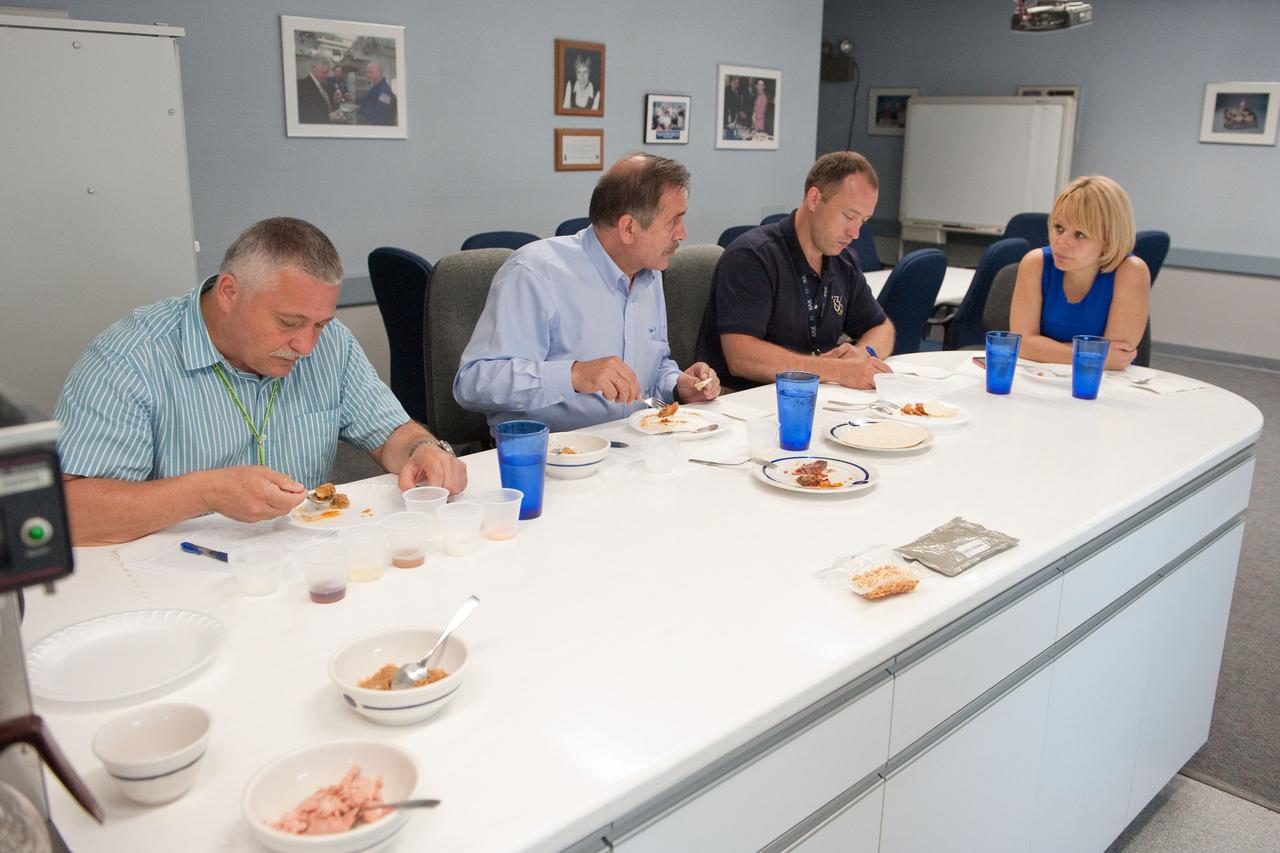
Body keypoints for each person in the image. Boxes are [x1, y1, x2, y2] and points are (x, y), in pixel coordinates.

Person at [54, 217, 467, 546]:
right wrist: (204, 493)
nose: (306, 346)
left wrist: (423, 450)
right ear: (230, 293)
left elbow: (391, 434)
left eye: (320, 324)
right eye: (289, 323)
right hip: (180, 573)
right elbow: (69, 512)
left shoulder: (330, 345)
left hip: (302, 562)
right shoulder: (131, 357)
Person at [454, 153, 720, 432]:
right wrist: (574, 375)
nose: (682, 234)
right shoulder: (535, 273)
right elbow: (472, 383)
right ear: (629, 228)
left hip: (633, 444)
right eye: (673, 222)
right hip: (550, 453)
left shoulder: (647, 272)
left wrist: (678, 386)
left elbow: (654, 366)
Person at [695, 151, 894, 391]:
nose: (855, 232)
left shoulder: (843, 260)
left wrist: (863, 355)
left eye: (863, 220)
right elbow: (741, 356)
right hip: (745, 401)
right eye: (848, 216)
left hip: (814, 396)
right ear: (814, 199)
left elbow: (882, 327)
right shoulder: (753, 255)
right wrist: (837, 371)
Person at [1009, 175, 1150, 368]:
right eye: (1059, 228)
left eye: (1080, 234)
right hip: (1038, 378)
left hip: (1101, 386)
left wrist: (1044, 348)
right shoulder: (1036, 263)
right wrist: (1090, 354)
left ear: (1109, 239)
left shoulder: (1132, 271)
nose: (1061, 242)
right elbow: (1022, 344)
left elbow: (1117, 358)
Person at [297, 55, 342, 124]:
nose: (326, 76)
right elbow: (304, 117)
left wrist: (335, 101)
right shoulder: (301, 86)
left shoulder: (323, 84)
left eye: (327, 72)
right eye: (324, 72)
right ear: (313, 69)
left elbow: (326, 108)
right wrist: (328, 117)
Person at [357, 60, 397, 126]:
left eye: (370, 72)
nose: (367, 75)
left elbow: (377, 117)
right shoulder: (375, 88)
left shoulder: (385, 92)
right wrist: (354, 99)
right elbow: (366, 100)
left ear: (379, 73)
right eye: (367, 73)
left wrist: (359, 108)